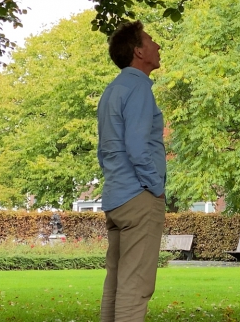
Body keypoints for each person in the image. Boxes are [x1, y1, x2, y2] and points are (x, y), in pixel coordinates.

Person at [97, 21, 166, 322]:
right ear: (139, 51)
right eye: (151, 41)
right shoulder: (138, 88)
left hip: (116, 197)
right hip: (139, 198)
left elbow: (106, 150)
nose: (158, 45)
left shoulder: (112, 90)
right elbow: (137, 147)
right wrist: (155, 187)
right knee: (136, 287)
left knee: (115, 284)